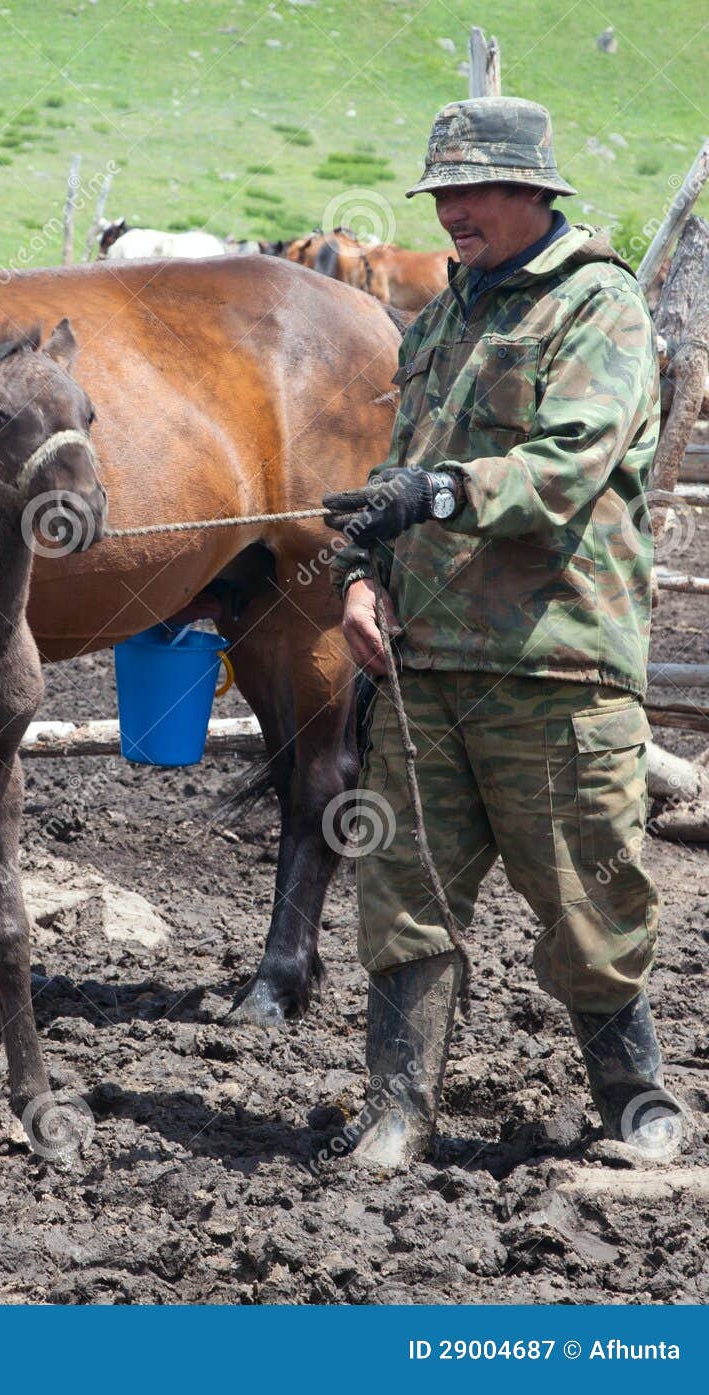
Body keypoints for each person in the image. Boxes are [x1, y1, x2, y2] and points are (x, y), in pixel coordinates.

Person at [324, 96, 684, 1170]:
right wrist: (354, 581)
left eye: (469, 189)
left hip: (553, 667)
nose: (448, 210)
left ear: (534, 190)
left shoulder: (597, 307)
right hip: (422, 665)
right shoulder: (442, 317)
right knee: (404, 895)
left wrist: (436, 494)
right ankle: (397, 1111)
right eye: (439, 192)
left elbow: (570, 463)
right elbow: (396, 477)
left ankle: (634, 1099)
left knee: (587, 895)